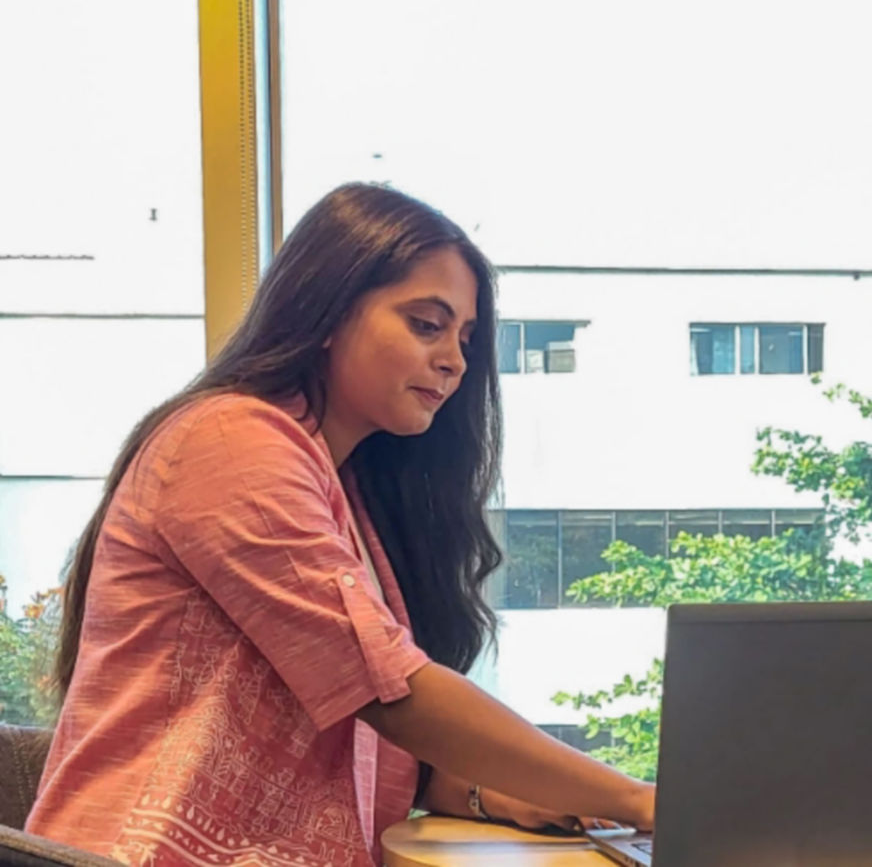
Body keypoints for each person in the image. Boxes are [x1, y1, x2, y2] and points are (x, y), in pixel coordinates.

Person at [26, 183, 654, 866]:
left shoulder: (341, 488)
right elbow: (391, 693)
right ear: (325, 311)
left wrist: (491, 793)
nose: (455, 359)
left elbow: (354, 739)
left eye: (466, 339)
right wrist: (642, 800)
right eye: (426, 324)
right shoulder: (230, 442)